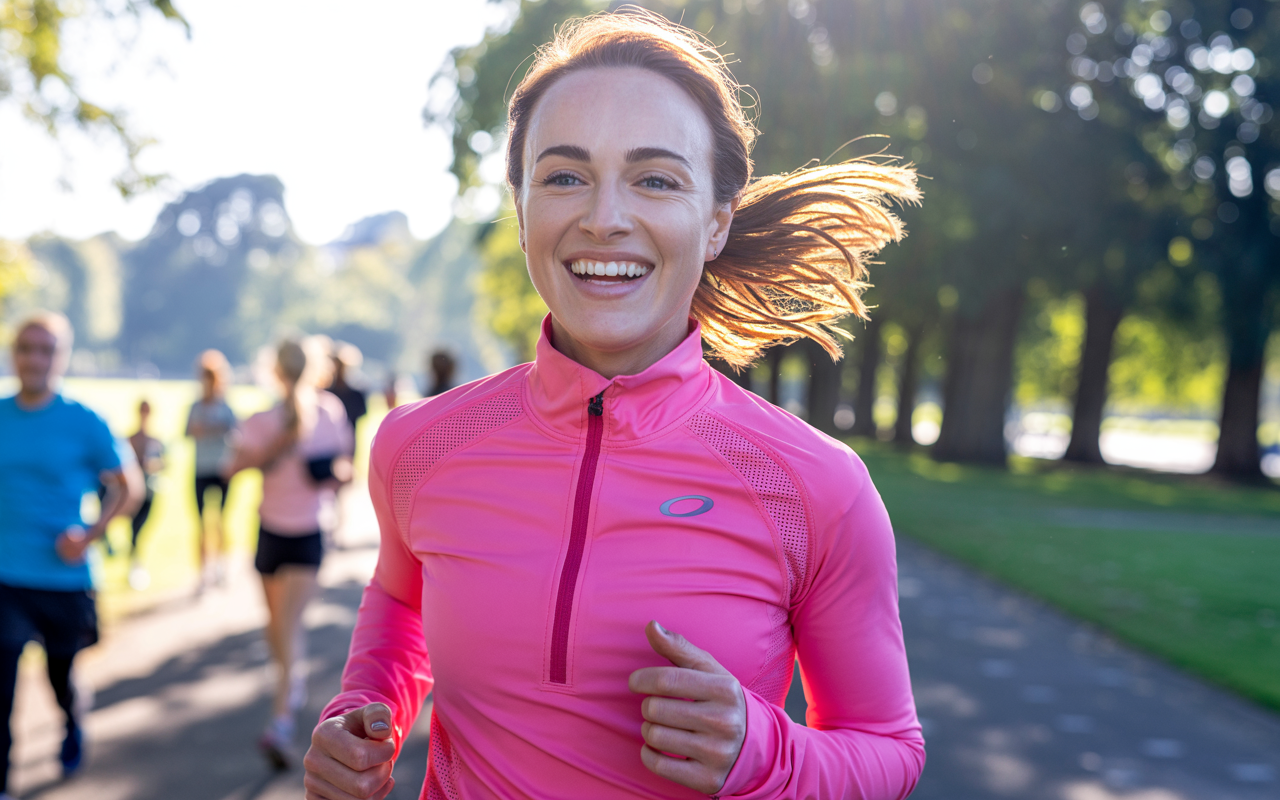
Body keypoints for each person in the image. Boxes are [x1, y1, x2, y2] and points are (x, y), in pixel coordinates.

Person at [306, 10, 923, 800]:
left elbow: (888, 750)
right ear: (521, 208)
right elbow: (401, 601)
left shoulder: (818, 487)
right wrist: (363, 713)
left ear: (716, 222)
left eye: (655, 179)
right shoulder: (418, 446)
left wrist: (765, 754)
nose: (603, 218)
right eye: (564, 177)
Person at [0, 312, 143, 797]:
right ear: (14, 354)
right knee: (1, 688)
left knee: (60, 676)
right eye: (26, 348)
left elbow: (129, 487)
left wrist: (90, 533)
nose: (34, 359)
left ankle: (72, 722)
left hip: (63, 578)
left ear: (60, 357)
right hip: (5, 576)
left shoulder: (84, 420)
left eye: (46, 350)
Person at [225, 339, 352, 769]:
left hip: (293, 535)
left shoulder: (312, 412)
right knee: (277, 627)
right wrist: (279, 451)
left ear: (274, 371)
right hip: (283, 531)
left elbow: (230, 469)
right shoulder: (278, 419)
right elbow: (345, 469)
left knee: (286, 625)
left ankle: (280, 720)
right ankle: (290, 687)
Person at [186, 349, 238, 590]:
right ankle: (202, 572)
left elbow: (235, 433)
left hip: (222, 469)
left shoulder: (225, 406)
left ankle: (222, 567)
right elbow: (188, 431)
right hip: (201, 469)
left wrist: (209, 429)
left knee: (221, 520)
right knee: (200, 523)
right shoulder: (196, 406)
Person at [125, 399, 166, 591]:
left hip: (149, 491)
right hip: (132, 492)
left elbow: (164, 464)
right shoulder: (129, 439)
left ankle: (135, 562)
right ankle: (134, 564)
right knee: (134, 528)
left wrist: (152, 465)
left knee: (141, 528)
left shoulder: (155, 441)